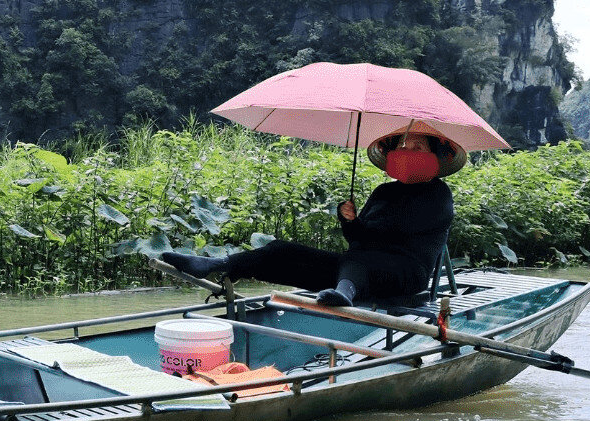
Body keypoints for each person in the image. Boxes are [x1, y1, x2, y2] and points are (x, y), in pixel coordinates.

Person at [163, 131, 459, 308]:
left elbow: (396, 230)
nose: (407, 151)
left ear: (434, 159)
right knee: (282, 250)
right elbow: (360, 239)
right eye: (403, 147)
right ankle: (218, 265)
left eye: (417, 148)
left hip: (405, 274)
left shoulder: (438, 195)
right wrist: (350, 221)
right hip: (355, 271)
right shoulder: (385, 191)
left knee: (357, 262)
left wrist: (363, 229)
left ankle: (344, 296)